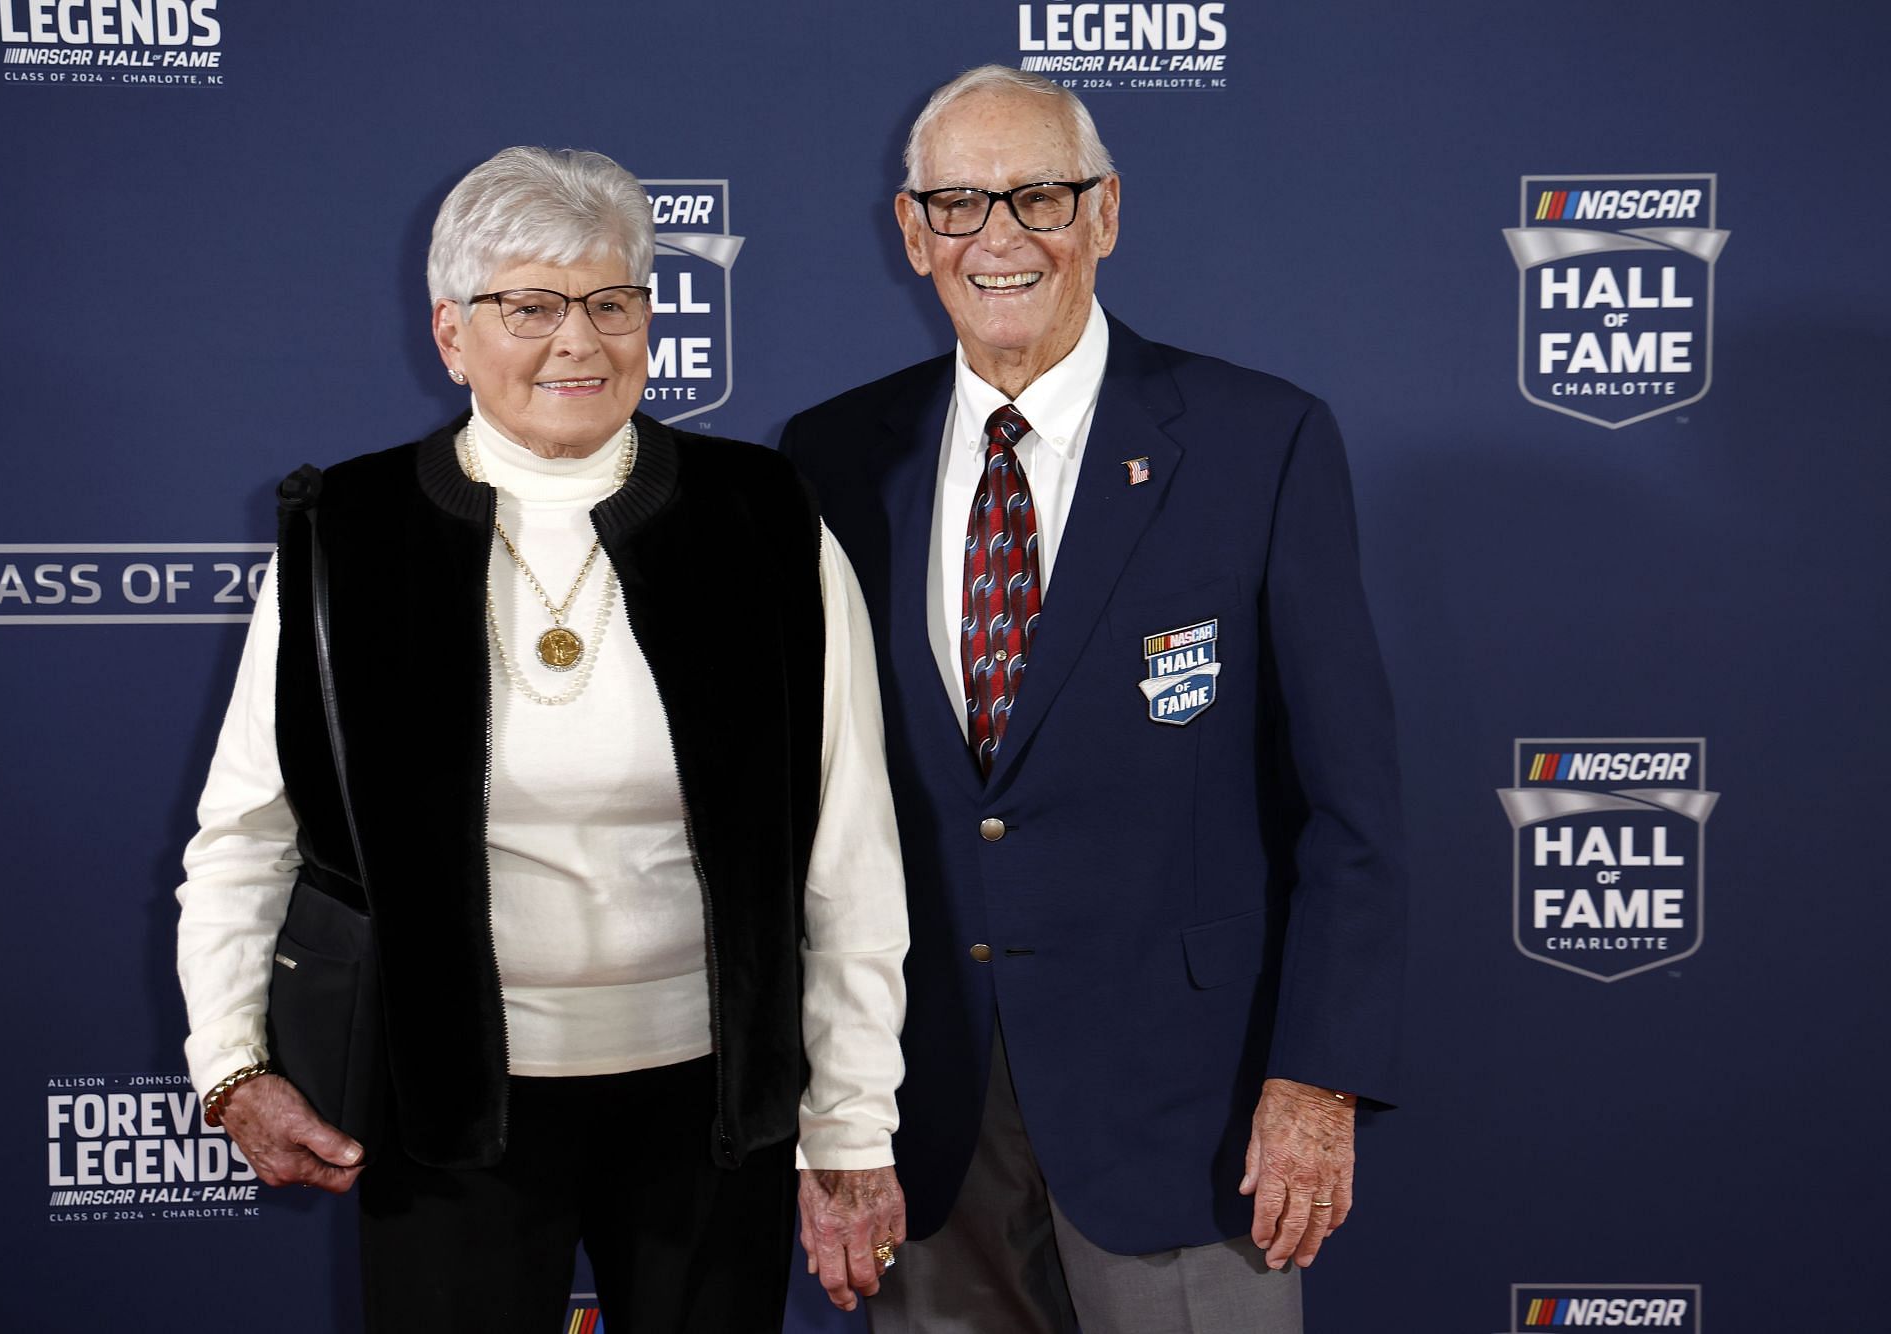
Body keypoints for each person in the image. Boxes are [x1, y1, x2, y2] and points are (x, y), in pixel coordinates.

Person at [175, 145, 908, 1332]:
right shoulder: (347, 533)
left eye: (614, 301)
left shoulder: (762, 517)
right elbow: (247, 832)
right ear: (452, 334)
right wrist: (231, 1062)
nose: (580, 340)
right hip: (444, 1107)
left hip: (711, 1110)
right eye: (530, 305)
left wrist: (853, 1119)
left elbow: (849, 848)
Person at [779, 67, 1406, 1333]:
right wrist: (827, 1114)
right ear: (911, 232)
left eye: (1040, 197)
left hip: (1193, 1117)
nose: (998, 237)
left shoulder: (1256, 440)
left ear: (1106, 213)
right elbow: (811, 807)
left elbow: (1351, 807)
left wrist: (1317, 1080)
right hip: (927, 1115)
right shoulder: (834, 457)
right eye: (958, 203)